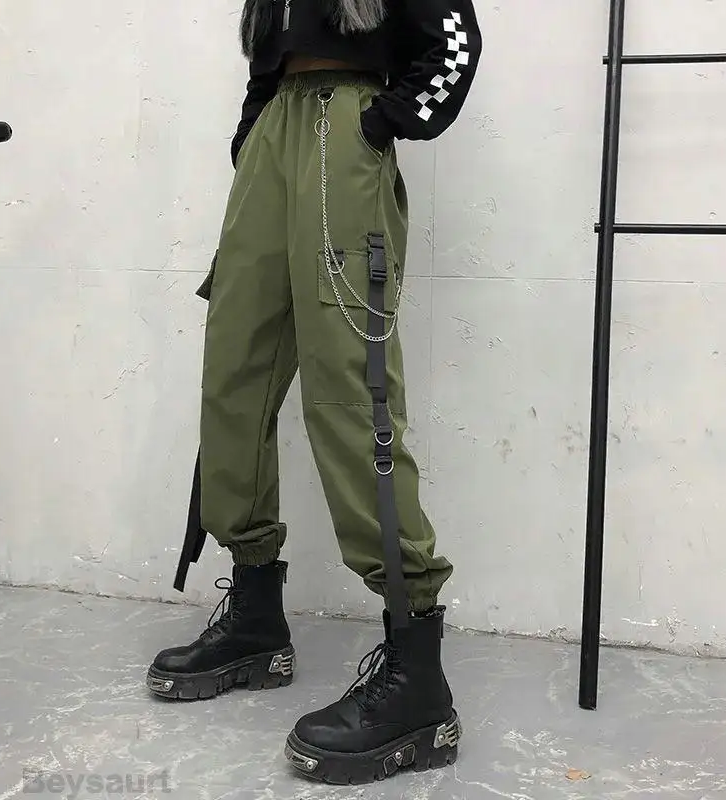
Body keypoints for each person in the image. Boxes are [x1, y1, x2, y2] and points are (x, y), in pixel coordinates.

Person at [146, 0, 482, 785]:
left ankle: (418, 676)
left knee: (349, 390)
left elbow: (454, 39)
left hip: (347, 131)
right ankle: (256, 617)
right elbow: (267, 58)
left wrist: (381, 124)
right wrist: (253, 137)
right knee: (234, 373)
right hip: (277, 136)